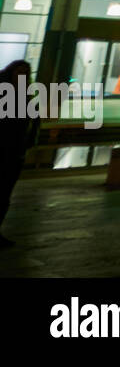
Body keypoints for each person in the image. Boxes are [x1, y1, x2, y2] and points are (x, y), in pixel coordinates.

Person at [0, 60, 39, 248]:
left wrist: (29, 141)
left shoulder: (26, 95)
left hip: (15, 151)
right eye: (19, 71)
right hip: (6, 150)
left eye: (25, 72)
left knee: (5, 194)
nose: (22, 75)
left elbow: (33, 120)